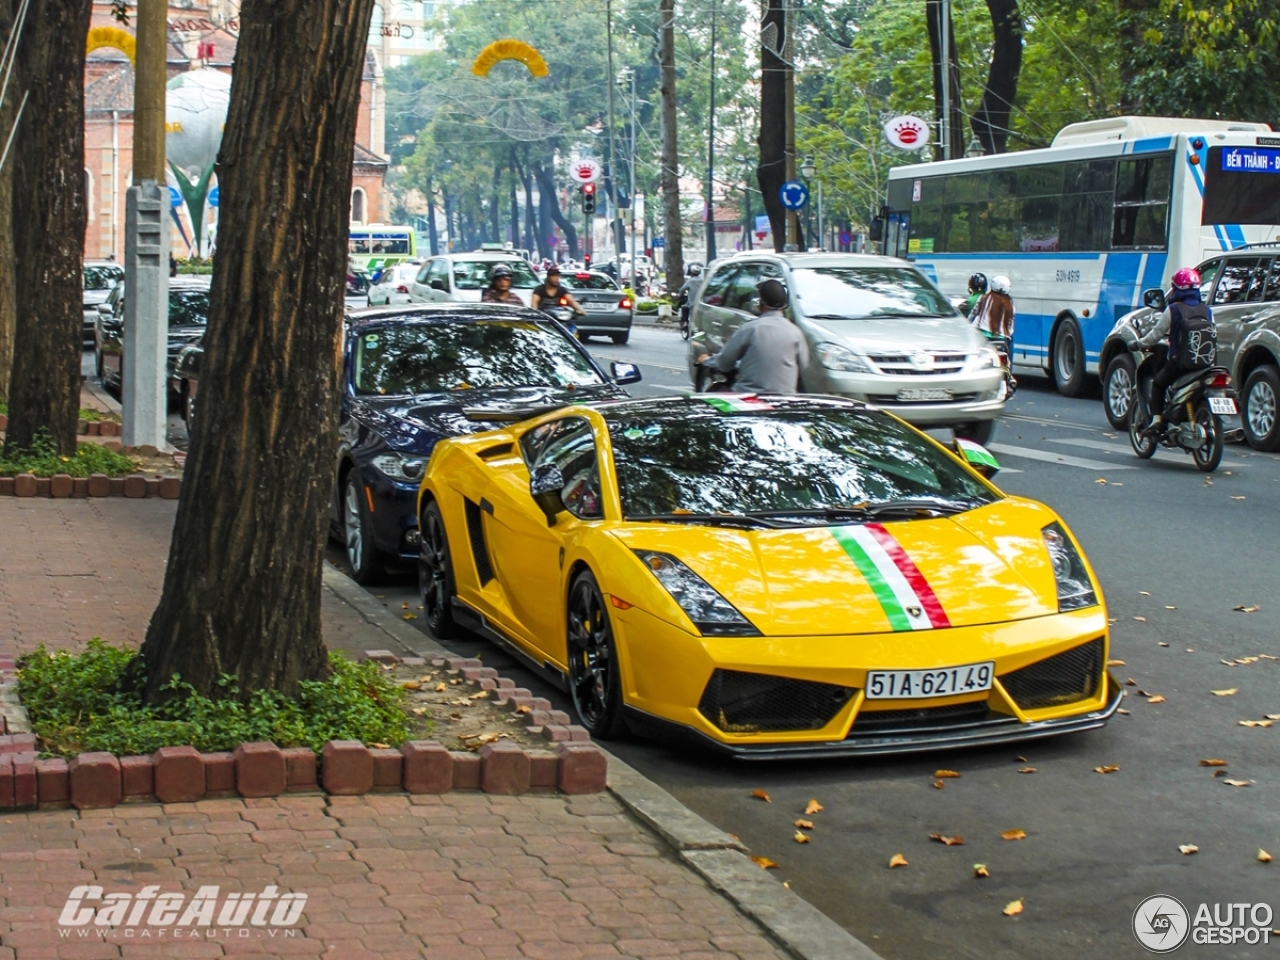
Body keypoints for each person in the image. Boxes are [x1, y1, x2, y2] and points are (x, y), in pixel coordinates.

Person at [1134, 266, 1215, 430]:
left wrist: (1139, 343)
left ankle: (1156, 421)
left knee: (1158, 384)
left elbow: (1155, 335)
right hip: (1206, 364)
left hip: (1180, 365)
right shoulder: (1207, 310)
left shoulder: (1173, 310)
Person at [696, 279, 809, 394]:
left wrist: (706, 360)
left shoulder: (751, 328)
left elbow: (724, 362)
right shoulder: (796, 332)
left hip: (749, 397)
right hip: (785, 400)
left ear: (761, 303)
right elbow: (802, 366)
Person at [971, 274, 1014, 338]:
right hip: (1002, 338)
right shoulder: (1010, 305)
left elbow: (972, 314)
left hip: (981, 335)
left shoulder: (983, 299)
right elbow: (1010, 326)